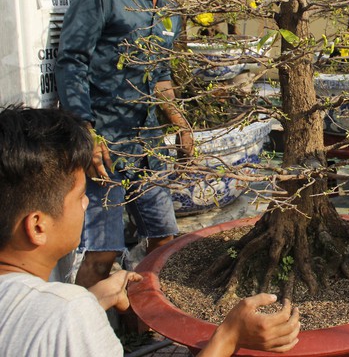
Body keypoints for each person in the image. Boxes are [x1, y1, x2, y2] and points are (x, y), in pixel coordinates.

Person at [0, 106, 300, 356]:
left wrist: (91, 299)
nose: (87, 201)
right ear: (38, 226)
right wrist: (229, 336)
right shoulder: (68, 315)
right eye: (80, 195)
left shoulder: (62, 309)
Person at [55, 0, 193, 288]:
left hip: (149, 147)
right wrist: (88, 134)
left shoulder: (170, 7)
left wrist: (180, 123)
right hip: (105, 148)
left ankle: (144, 321)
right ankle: (82, 332)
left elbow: (160, 74)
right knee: (102, 253)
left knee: (164, 240)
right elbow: (71, 63)